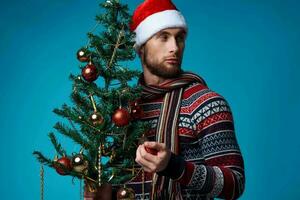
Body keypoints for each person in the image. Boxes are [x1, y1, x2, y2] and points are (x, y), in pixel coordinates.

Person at [128, 0, 245, 199]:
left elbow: (235, 184)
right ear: (141, 47)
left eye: (179, 38)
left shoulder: (206, 104)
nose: (174, 47)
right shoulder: (125, 108)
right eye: (163, 37)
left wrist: (173, 166)